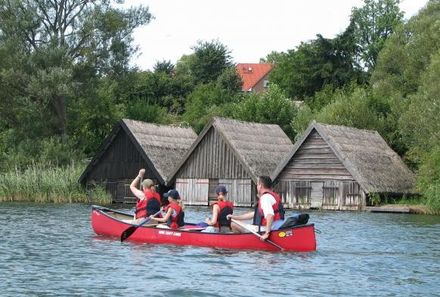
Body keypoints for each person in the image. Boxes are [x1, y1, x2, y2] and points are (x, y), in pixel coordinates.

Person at [227, 176, 285, 240]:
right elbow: (255, 214)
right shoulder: (273, 196)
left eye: (257, 185)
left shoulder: (265, 198)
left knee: (233, 224)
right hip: (278, 225)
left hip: (268, 228)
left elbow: (270, 215)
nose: (257, 187)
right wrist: (234, 217)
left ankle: (244, 242)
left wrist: (267, 233)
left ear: (260, 186)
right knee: (236, 221)